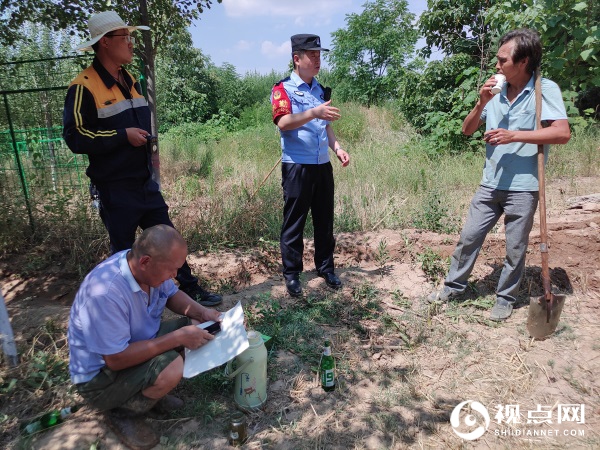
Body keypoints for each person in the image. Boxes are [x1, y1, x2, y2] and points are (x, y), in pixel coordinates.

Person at [63, 11, 221, 307]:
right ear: (105, 43)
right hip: (114, 187)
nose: (131, 43)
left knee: (168, 237)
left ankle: (189, 288)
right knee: (124, 253)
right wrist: (123, 136)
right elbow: (75, 137)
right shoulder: (84, 86)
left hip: (143, 182)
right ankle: (129, 307)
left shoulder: (130, 78)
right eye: (125, 37)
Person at [428, 28, 570, 321]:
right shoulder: (494, 92)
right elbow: (467, 130)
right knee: (469, 236)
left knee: (515, 248)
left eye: (503, 60)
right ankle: (453, 287)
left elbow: (561, 132)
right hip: (490, 183)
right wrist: (481, 101)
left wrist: (514, 135)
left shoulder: (545, 90)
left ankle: (505, 298)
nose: (497, 65)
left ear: (523, 62)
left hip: (524, 185)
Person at [68, 224, 222, 449]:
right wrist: (177, 338)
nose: (175, 276)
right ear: (145, 262)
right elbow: (116, 359)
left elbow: (172, 294)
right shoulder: (105, 294)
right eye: (171, 270)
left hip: (132, 345)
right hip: (100, 378)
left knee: (198, 325)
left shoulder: (144, 266)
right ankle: (122, 413)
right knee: (172, 367)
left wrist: (203, 313)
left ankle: (149, 395)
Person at [271, 34, 350, 297]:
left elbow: (326, 127)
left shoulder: (320, 90)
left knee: (324, 220)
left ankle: (326, 268)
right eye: (312, 55)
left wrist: (337, 148)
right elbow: (283, 123)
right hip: (297, 166)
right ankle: (292, 274)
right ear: (297, 58)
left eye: (319, 55)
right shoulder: (283, 89)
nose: (317, 60)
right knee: (294, 222)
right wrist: (313, 112)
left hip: (322, 165)